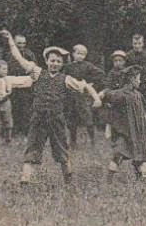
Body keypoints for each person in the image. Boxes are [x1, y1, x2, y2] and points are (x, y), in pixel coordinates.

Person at [6, 33, 100, 185]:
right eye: (52, 60)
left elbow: (84, 86)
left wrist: (96, 98)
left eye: (58, 61)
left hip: (56, 119)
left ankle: (68, 180)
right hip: (38, 118)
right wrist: (10, 41)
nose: (55, 63)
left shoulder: (66, 79)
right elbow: (20, 59)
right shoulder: (37, 73)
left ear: (62, 64)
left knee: (62, 150)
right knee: (33, 147)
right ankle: (25, 179)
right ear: (46, 61)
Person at [98, 65, 146, 178]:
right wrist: (101, 94)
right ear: (131, 79)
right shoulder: (121, 94)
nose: (140, 81)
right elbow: (106, 95)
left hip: (137, 134)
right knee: (119, 154)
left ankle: (141, 179)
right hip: (125, 132)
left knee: (139, 156)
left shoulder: (138, 95)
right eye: (138, 79)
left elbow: (144, 109)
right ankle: (108, 179)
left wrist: (144, 115)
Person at [63, 44, 106, 147]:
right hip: (71, 96)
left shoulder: (88, 65)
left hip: (83, 96)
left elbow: (101, 74)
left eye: (83, 54)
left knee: (88, 119)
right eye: (78, 53)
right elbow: (63, 78)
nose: (80, 56)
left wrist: (91, 83)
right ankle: (73, 141)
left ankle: (92, 141)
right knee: (71, 120)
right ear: (73, 54)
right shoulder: (68, 66)